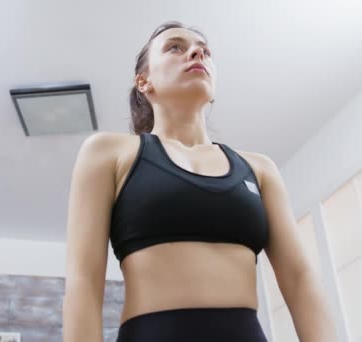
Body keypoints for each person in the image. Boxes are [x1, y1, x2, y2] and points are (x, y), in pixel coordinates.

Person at [62, 21, 337, 342]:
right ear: (144, 81)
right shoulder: (108, 153)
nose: (197, 52)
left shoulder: (260, 168)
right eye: (175, 47)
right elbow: (83, 279)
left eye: (205, 50)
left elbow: (299, 277)